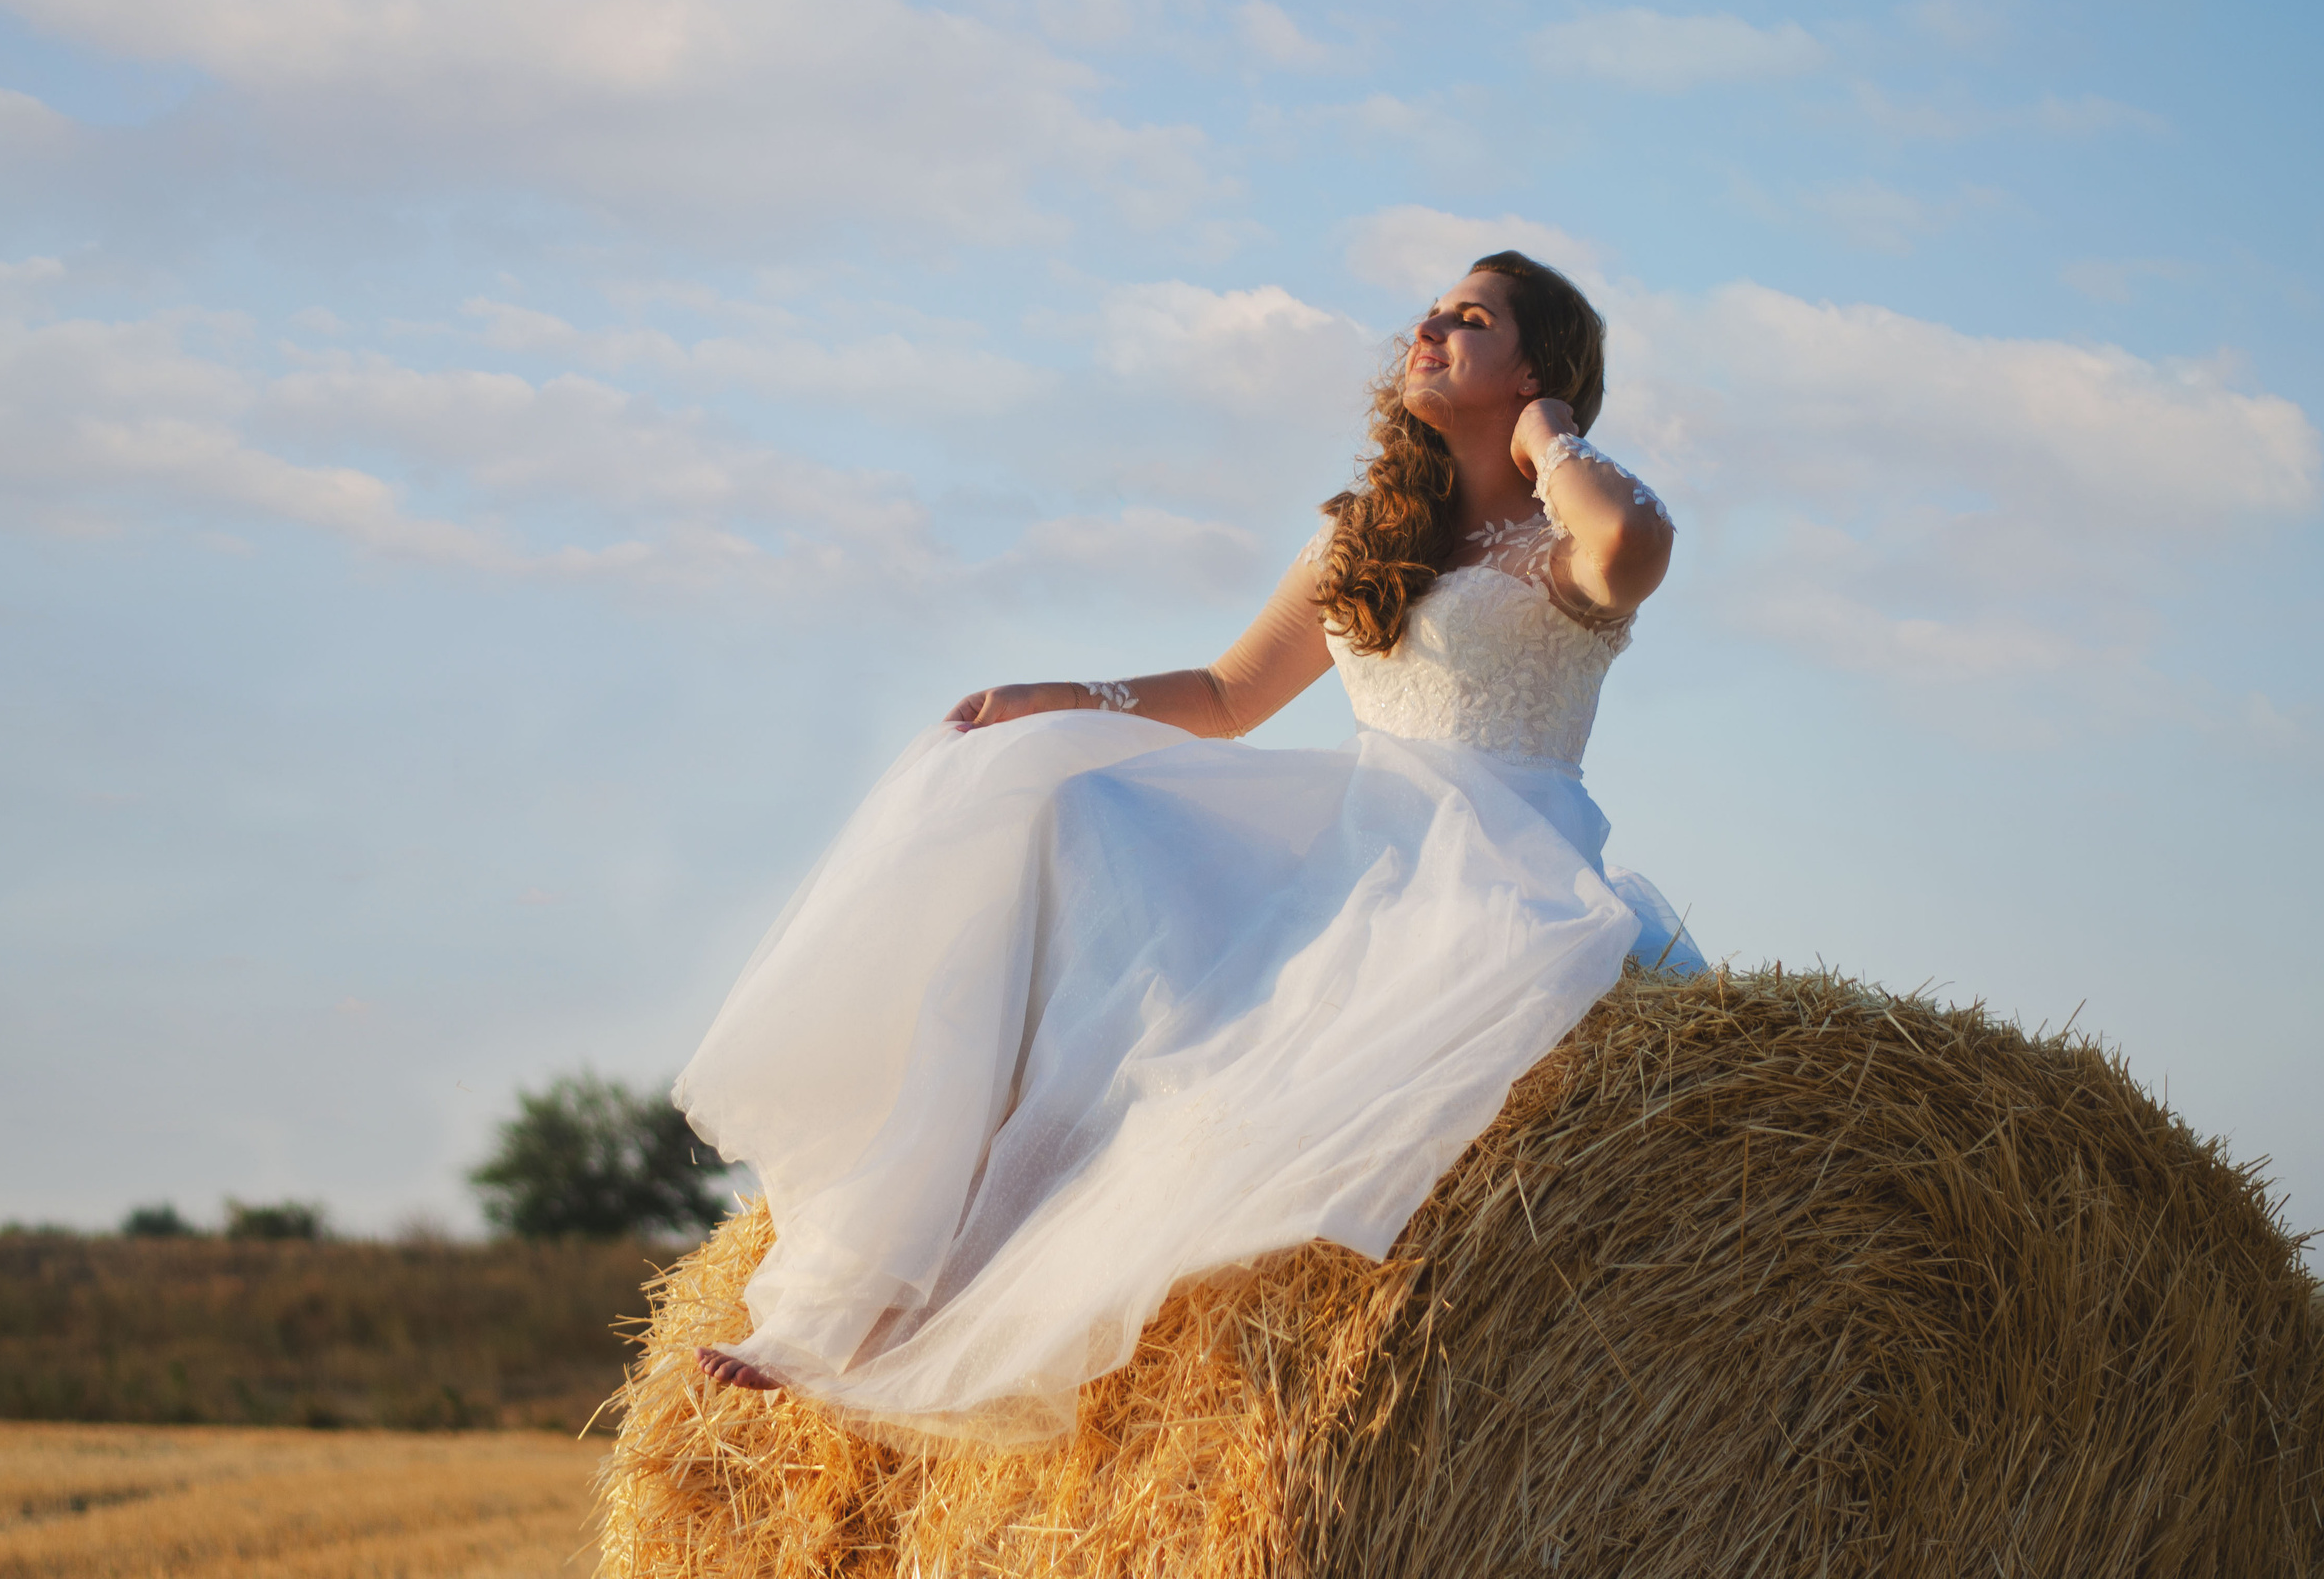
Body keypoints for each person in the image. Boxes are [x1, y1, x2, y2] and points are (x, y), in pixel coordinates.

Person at [675, 250, 1700, 1444]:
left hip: (1503, 866)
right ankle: (874, 1290)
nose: (1425, 326)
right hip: (1359, 840)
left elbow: (1626, 538)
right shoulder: (1365, 536)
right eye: (1427, 310)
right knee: (1072, 812)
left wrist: (1549, 439)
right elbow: (1223, 695)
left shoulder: (1566, 543)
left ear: (1538, 365)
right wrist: (1050, 695)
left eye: (1468, 317)